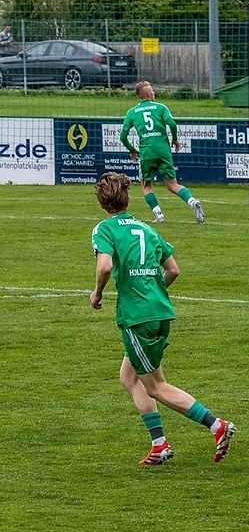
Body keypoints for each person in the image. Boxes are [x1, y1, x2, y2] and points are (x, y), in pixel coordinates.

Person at [89, 172, 236, 465]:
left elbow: (105, 266)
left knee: (155, 386)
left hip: (137, 317)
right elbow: (173, 270)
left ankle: (216, 425)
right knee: (129, 377)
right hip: (160, 311)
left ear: (102, 203)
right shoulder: (146, 228)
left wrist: (97, 293)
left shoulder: (104, 229)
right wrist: (154, 291)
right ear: (127, 198)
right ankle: (159, 445)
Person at [119, 81, 204, 224]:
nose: (154, 93)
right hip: (163, 151)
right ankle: (192, 201)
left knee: (146, 185)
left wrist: (132, 150)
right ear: (148, 94)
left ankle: (159, 215)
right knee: (172, 185)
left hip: (147, 152)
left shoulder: (132, 112)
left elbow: (122, 136)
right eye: (152, 91)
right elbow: (172, 124)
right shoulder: (161, 108)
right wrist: (175, 140)